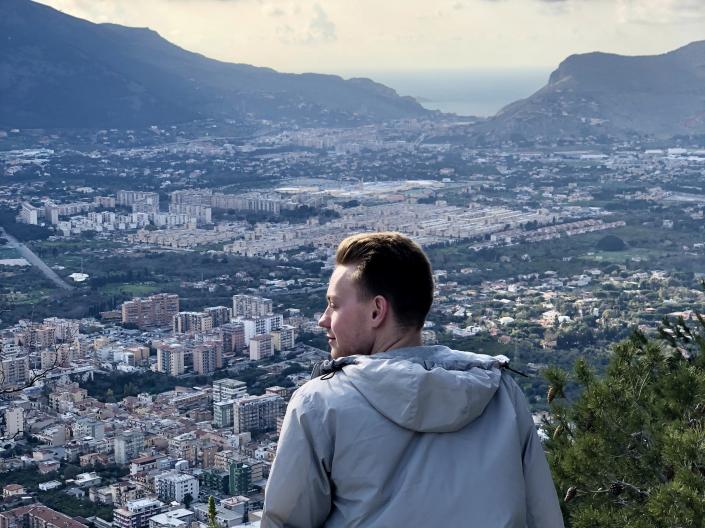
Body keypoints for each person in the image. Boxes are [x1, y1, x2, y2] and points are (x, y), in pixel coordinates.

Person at [262, 232, 564, 527]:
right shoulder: (501, 394)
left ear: (377, 311)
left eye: (334, 304)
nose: (323, 318)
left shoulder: (319, 405)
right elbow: (542, 515)